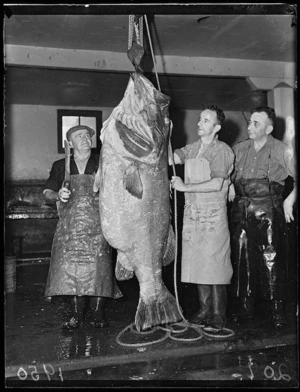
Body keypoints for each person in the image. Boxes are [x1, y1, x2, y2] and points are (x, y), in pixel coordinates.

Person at [43, 124, 122, 331]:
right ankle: (76, 316)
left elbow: (117, 190)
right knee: (73, 274)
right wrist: (57, 195)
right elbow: (47, 192)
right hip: (70, 229)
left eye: (88, 135)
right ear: (70, 143)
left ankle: (98, 314)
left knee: (100, 271)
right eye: (80, 136)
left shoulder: (103, 162)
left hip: (98, 227)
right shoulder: (60, 165)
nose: (86, 138)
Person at [229, 106, 296, 328]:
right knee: (242, 259)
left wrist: (289, 200)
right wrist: (230, 186)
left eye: (256, 123)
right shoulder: (239, 149)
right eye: (250, 122)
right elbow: (227, 173)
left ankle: (278, 312)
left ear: (268, 128)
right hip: (242, 210)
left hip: (269, 210)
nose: (250, 127)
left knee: (272, 259)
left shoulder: (281, 149)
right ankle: (246, 309)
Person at [170, 105, 235, 329]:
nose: (199, 123)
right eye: (199, 119)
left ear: (216, 127)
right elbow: (174, 157)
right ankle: (205, 309)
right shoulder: (194, 148)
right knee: (198, 264)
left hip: (213, 216)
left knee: (215, 265)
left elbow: (217, 183)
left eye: (205, 120)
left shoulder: (222, 150)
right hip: (193, 215)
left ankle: (218, 314)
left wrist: (184, 187)